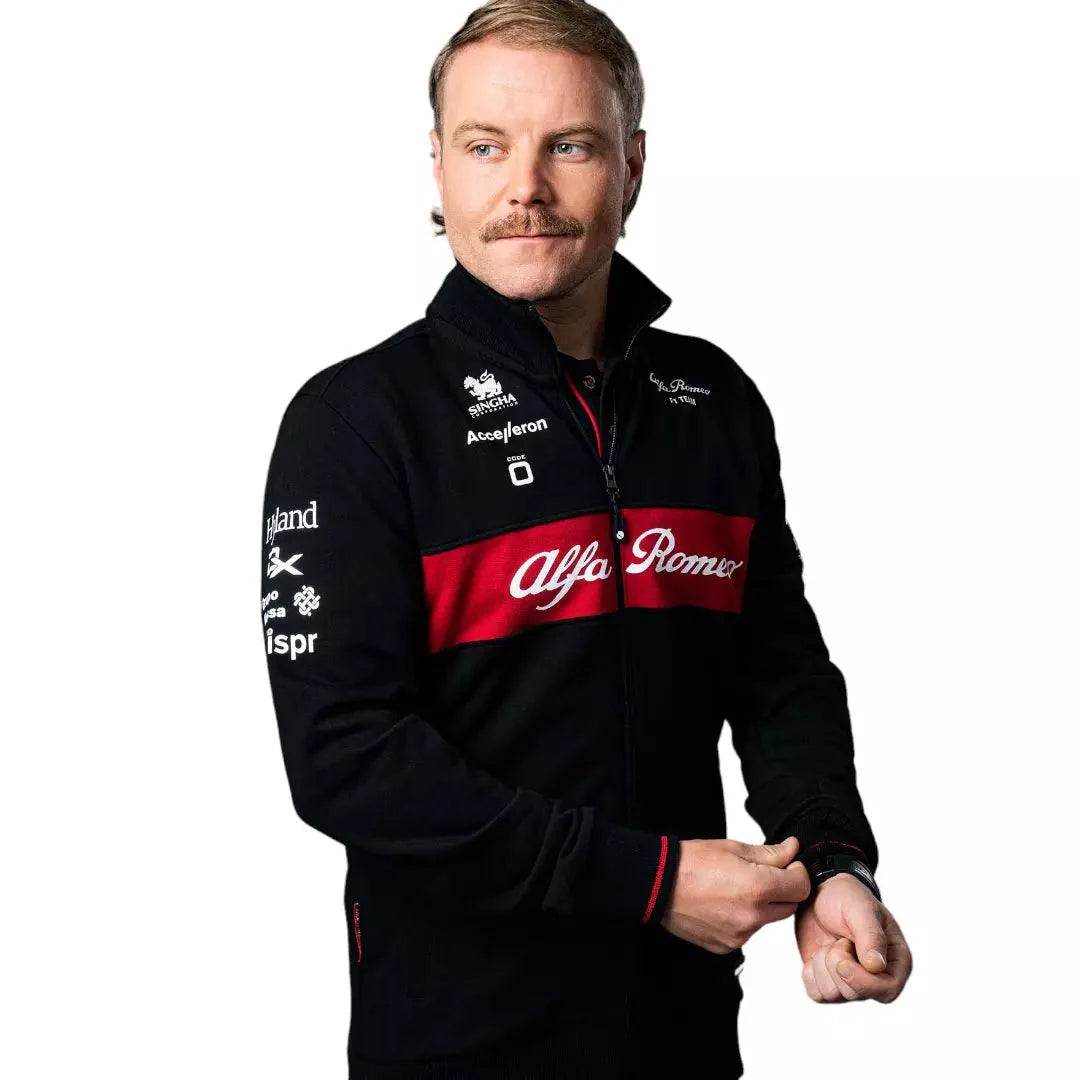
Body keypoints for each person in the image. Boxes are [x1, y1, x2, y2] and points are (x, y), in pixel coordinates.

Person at [260, 2, 912, 1076]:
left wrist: (835, 861)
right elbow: (347, 759)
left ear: (632, 164)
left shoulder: (712, 400)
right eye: (485, 146)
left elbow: (778, 674)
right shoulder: (356, 423)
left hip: (681, 1030)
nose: (525, 187)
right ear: (438, 165)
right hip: (459, 1036)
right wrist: (652, 882)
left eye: (569, 145)